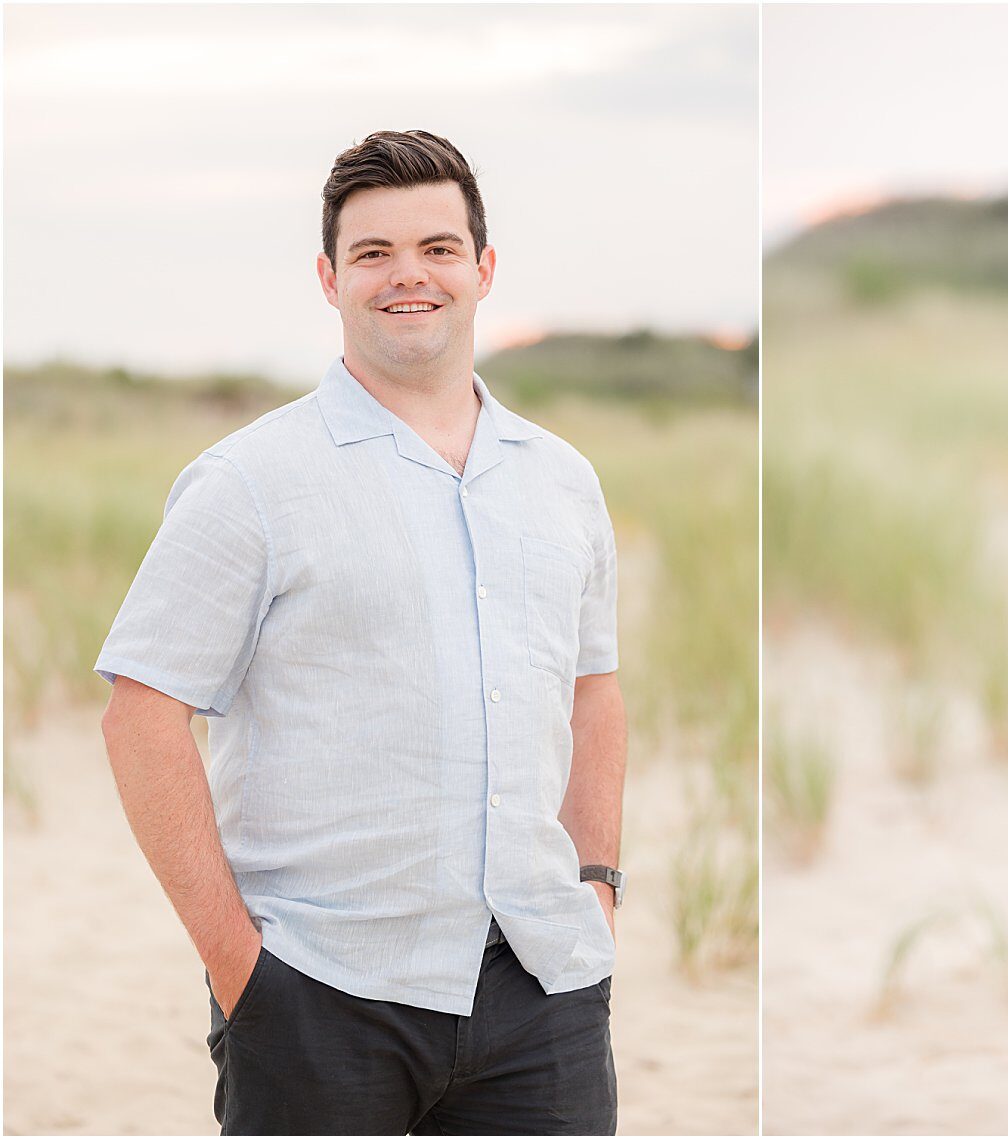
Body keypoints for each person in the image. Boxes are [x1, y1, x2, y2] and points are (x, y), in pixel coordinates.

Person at [96, 130, 625, 1135]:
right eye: (373, 252)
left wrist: (596, 885)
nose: (407, 275)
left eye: (436, 246)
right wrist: (239, 967)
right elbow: (142, 714)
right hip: (318, 993)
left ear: (483, 268)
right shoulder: (249, 481)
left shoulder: (563, 479)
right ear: (329, 277)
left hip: (544, 986)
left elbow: (592, 688)